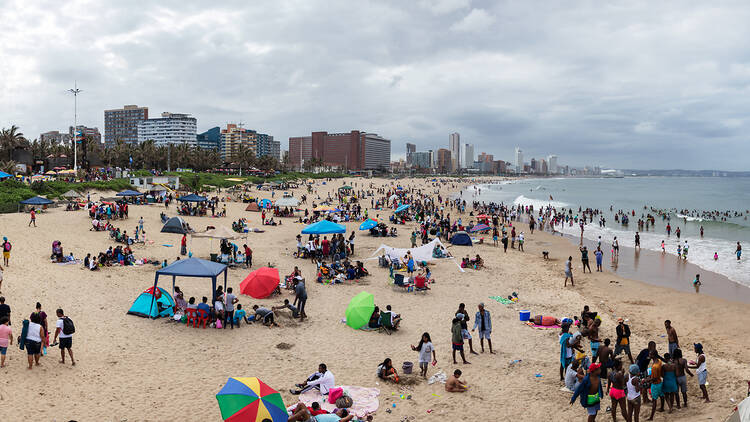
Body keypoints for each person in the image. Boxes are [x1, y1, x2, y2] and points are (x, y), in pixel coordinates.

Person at [648, 350, 664, 420]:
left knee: (654, 400)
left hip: (655, 384)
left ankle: (651, 417)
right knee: (661, 396)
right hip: (660, 382)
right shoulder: (659, 361)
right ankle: (662, 408)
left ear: (653, 356)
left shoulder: (654, 366)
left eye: (650, 354)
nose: (649, 355)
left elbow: (654, 378)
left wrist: (647, 380)